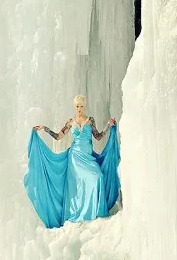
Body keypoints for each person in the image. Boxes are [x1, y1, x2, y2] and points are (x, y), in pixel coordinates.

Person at [23, 95, 120, 228]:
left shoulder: (90, 120)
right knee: (76, 186)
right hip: (74, 158)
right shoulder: (70, 122)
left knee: (98, 177)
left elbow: (97, 137)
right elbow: (58, 136)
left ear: (84, 106)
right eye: (76, 106)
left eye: (81, 106)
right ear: (74, 107)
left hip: (88, 157)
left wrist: (108, 126)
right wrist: (45, 128)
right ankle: (78, 214)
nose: (79, 109)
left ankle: (95, 214)